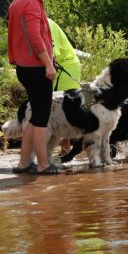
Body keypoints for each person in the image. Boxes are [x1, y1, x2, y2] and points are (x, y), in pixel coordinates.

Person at [7, 0, 62, 174]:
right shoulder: (31, 4)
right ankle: (43, 164)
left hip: (24, 68)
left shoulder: (19, 0)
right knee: (41, 118)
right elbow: (34, 37)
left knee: (35, 116)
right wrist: (48, 63)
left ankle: (23, 163)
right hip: (36, 69)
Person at [48, 18, 82, 155]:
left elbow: (53, 56)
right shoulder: (39, 22)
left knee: (61, 110)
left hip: (66, 68)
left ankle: (65, 151)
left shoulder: (47, 24)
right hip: (65, 66)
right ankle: (66, 149)